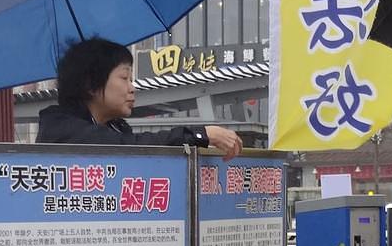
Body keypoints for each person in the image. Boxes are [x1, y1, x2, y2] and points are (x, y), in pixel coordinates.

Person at [37, 38, 242, 160]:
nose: (132, 88)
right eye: (125, 78)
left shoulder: (117, 128)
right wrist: (199, 135)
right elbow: (128, 146)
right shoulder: (59, 128)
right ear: (91, 84)